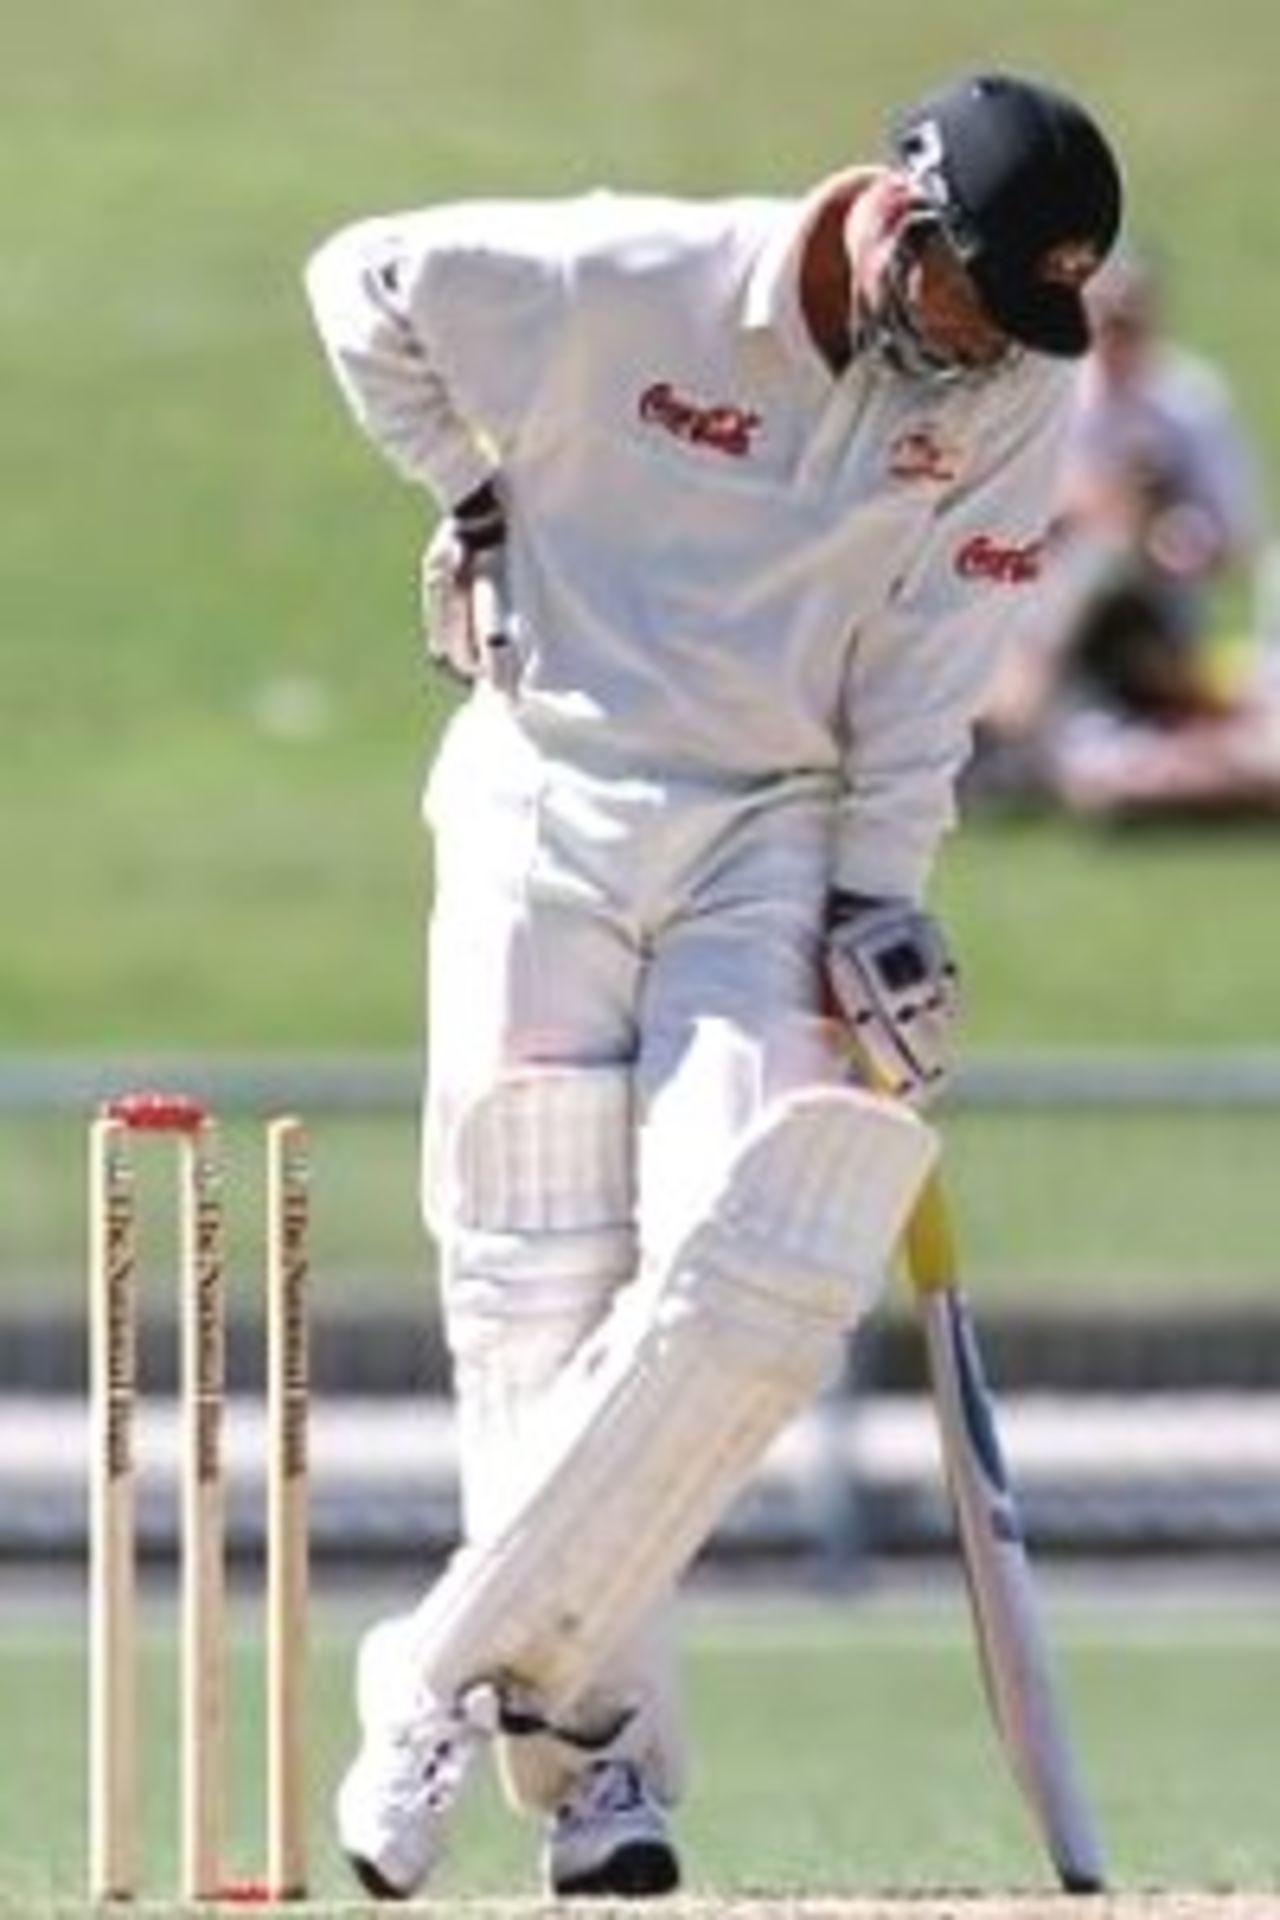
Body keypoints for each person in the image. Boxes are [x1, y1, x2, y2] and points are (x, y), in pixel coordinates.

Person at [304, 70, 1122, 1900]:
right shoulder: (635, 273)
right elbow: (359, 278)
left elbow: (933, 659)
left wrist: (883, 902)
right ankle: (599, 1774)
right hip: (546, 807)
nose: (994, 344)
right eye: (985, 291)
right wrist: (476, 498)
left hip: (770, 834)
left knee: (756, 1274)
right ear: (902, 221)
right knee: (532, 1289)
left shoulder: (1010, 390)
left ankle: (429, 1669)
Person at [974, 243, 1275, 816]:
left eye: (1131, 318)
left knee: (1109, 555)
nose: (1119, 334)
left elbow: (1235, 537)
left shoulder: (1187, 403)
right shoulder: (1046, 396)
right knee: (1093, 554)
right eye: (1107, 316)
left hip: (1152, 616)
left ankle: (1024, 723)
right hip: (1042, 610)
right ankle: (1022, 719)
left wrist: (1164, 538)